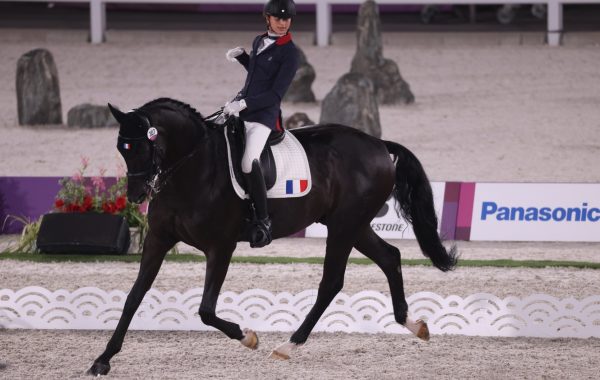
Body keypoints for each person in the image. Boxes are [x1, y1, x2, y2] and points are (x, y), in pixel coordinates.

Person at [223, 0, 299, 248]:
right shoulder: (259, 41)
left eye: (286, 19)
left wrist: (244, 105)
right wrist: (245, 58)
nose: (283, 23)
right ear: (267, 18)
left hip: (264, 117)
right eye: (278, 19)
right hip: (243, 106)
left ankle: (263, 220)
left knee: (248, 161)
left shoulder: (290, 53)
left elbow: (275, 94)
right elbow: (259, 74)